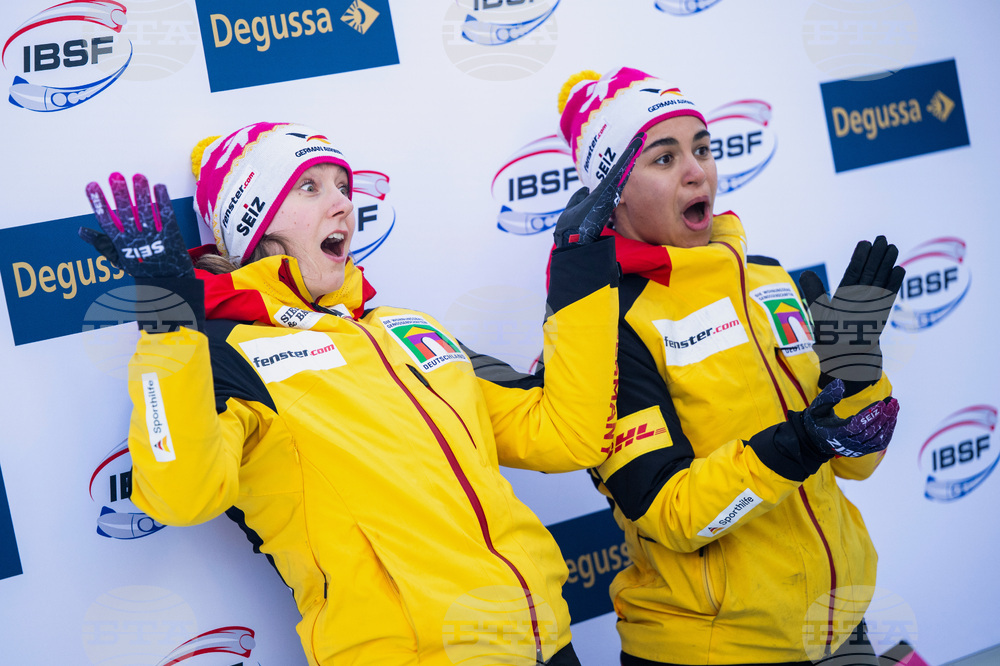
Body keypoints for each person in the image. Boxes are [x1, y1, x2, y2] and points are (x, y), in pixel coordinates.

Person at [78, 121, 643, 665]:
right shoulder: (227, 353)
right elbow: (182, 496)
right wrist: (168, 329)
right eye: (309, 187)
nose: (344, 203)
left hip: (546, 642)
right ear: (253, 223)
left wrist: (580, 271)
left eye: (344, 187)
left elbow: (567, 435)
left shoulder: (404, 328)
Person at [553, 68, 905, 665]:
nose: (697, 171)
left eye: (702, 148)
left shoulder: (771, 280)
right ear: (614, 193)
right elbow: (673, 513)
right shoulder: (605, 330)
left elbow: (859, 463)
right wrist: (799, 442)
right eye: (664, 158)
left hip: (841, 628)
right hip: (713, 649)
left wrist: (859, 378)